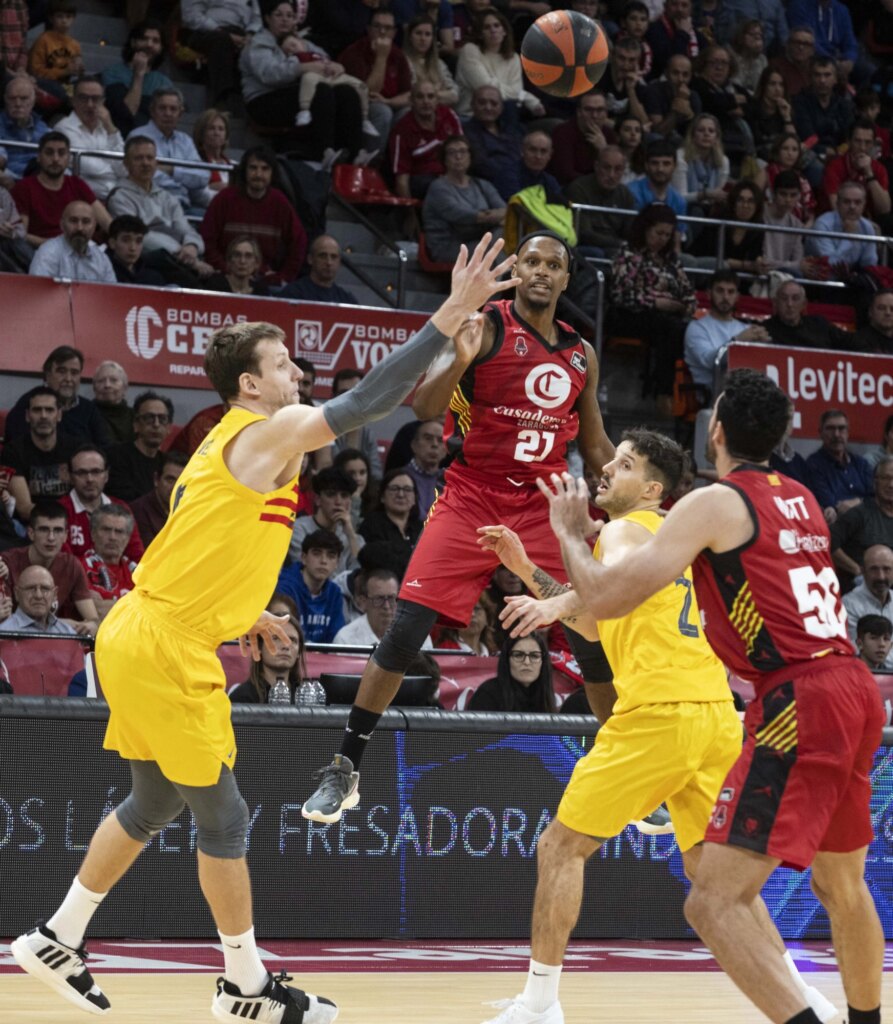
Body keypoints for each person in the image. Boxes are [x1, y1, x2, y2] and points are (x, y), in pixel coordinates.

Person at [9, 232, 518, 1022]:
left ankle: (56, 935)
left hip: (148, 629)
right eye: (285, 367)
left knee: (152, 802)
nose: (299, 375)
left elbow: (193, 541)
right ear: (251, 382)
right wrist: (445, 319)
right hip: (164, 643)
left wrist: (242, 609)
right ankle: (243, 987)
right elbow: (364, 405)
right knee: (226, 816)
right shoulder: (265, 432)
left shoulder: (227, 444)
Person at [499, 370, 884, 1024]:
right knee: (836, 885)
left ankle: (538, 1005)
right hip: (849, 684)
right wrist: (546, 589)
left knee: (703, 902)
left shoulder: (697, 508)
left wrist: (567, 532)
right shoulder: (798, 498)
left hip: (774, 699)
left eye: (623, 463)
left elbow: (608, 596)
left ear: (715, 431)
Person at [301, 230, 616, 826]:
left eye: (554, 264)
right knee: (405, 630)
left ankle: (628, 764)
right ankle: (344, 768)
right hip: (473, 495)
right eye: (531, 262)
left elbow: (596, 443)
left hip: (545, 502)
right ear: (516, 270)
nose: (542, 272)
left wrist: (642, 496)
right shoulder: (486, 324)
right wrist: (462, 357)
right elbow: (425, 408)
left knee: (586, 631)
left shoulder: (581, 353)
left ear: (567, 278)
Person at [241, 0, 365, 164]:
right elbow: (269, 74)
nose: (285, 19)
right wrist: (303, 67)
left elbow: (321, 57)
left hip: (294, 94)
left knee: (346, 92)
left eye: (290, 16)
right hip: (263, 99)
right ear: (268, 18)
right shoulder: (259, 43)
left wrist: (334, 66)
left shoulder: (300, 42)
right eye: (279, 15)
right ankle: (324, 152)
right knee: (321, 91)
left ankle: (354, 154)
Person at [608, 204, 696, 412]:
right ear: (645, 229)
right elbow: (618, 294)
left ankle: (675, 392)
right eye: (659, 233)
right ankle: (664, 393)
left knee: (681, 328)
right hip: (629, 314)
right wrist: (654, 302)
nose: (663, 239)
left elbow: (689, 293)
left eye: (667, 234)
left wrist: (684, 306)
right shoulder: (629, 253)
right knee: (668, 326)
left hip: (666, 318)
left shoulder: (670, 260)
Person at [108, 137, 214, 288]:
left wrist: (192, 246)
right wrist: (182, 254)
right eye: (138, 158)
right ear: (126, 163)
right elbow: (140, 238)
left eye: (150, 158)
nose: (145, 163)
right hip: (149, 263)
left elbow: (185, 228)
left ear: (156, 162)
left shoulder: (167, 196)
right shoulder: (119, 197)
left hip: (182, 260)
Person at [200, 146, 306, 288]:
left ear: (272, 173)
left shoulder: (280, 203)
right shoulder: (224, 199)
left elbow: (299, 242)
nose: (258, 174)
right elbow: (207, 239)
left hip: (266, 283)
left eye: (265, 169)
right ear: (245, 171)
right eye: (253, 168)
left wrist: (283, 277)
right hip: (226, 279)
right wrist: (226, 269)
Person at [2, 499, 98, 633]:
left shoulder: (71, 565)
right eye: (44, 529)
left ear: (65, 536)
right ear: (31, 533)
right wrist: (64, 625)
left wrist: (90, 626)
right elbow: (4, 619)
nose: (51, 538)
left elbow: (92, 619)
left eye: (58, 530)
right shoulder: (7, 563)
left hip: (55, 645)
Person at [12, 132, 110, 250]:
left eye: (61, 153)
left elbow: (107, 222)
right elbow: (21, 235)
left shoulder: (77, 184)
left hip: (78, 251)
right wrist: (58, 247)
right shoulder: (24, 188)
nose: (55, 159)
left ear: (68, 158)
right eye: (49, 153)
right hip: (38, 253)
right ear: (38, 157)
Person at [3, 346, 111, 448]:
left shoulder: (89, 409)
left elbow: (104, 447)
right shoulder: (28, 404)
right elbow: (17, 449)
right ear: (48, 374)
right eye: (62, 371)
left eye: (74, 373)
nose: (68, 379)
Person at [684, 270, 769, 395]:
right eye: (720, 291)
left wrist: (765, 344)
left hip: (746, 393)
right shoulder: (696, 328)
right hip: (712, 398)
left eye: (731, 292)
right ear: (708, 294)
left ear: (737, 297)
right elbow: (710, 362)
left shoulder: (746, 328)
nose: (725, 297)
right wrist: (737, 341)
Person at [422, 135, 505, 263]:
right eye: (452, 153)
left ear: (470, 156)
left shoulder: (482, 184)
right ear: (444, 159)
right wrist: (488, 216)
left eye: (463, 151)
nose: (458, 157)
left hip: (479, 240)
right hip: (449, 247)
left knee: (507, 237)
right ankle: (506, 281)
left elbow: (506, 210)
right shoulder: (438, 187)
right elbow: (462, 215)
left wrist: (489, 216)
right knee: (495, 249)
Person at [128, 87, 211, 212]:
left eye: (173, 109)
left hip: (184, 205)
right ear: (152, 111)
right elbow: (147, 176)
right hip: (150, 203)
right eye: (162, 108)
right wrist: (184, 179)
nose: (168, 113)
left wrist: (171, 170)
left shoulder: (185, 140)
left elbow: (203, 177)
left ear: (180, 113)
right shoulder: (138, 136)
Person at [338, 5, 412, 141]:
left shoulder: (398, 55)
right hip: (359, 109)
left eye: (388, 28)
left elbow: (408, 94)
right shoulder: (355, 52)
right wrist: (381, 57)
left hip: (387, 104)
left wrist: (388, 101)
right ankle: (370, 159)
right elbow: (369, 92)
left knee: (408, 112)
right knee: (382, 111)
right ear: (368, 29)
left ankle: (396, 157)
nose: (382, 32)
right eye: (377, 26)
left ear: (394, 33)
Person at [454, 8, 544, 120]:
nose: (493, 30)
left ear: (504, 31)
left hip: (503, 116)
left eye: (497, 25)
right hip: (470, 116)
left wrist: (520, 94)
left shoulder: (513, 58)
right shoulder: (469, 50)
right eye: (487, 27)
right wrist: (526, 96)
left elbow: (516, 91)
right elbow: (486, 90)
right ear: (480, 34)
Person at [60, 444, 143, 562]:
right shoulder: (59, 510)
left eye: (96, 472)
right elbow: (64, 563)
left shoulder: (121, 508)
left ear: (106, 475)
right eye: (81, 473)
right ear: (71, 477)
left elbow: (137, 556)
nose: (89, 479)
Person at [4, 387, 74, 519]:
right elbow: (24, 508)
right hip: (31, 525)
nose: (43, 416)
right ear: (27, 416)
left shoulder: (76, 449)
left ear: (59, 415)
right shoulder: (12, 451)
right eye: (37, 410)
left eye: (49, 410)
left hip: (70, 522)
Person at [389, 78, 463, 200]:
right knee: (439, 187)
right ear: (411, 101)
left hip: (452, 174)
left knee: (483, 185)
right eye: (420, 97)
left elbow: (463, 151)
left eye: (430, 97)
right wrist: (410, 215)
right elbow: (402, 180)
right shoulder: (401, 130)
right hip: (424, 182)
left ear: (437, 100)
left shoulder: (448, 115)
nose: (426, 102)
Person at [54, 75, 126, 201]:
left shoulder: (108, 128)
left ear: (103, 102)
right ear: (73, 101)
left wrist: (110, 127)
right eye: (83, 98)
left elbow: (125, 169)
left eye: (96, 99)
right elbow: (91, 167)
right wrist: (114, 172)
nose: (90, 104)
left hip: (118, 197)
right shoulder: (64, 128)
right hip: (86, 200)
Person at [180, 0, 261, 108]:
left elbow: (257, 17)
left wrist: (250, 35)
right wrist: (220, 31)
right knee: (222, 41)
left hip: (242, 32)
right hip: (206, 30)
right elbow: (191, 14)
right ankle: (221, 98)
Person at [101, 19, 173, 136]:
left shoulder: (164, 83)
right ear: (133, 42)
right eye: (144, 39)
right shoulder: (114, 72)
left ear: (161, 48)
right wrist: (138, 74)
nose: (149, 44)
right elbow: (127, 113)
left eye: (155, 41)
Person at [287, 465, 365, 574]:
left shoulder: (353, 538)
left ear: (350, 502)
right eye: (331, 494)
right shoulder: (298, 529)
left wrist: (351, 535)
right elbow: (306, 572)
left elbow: (361, 576)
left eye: (344, 495)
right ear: (318, 499)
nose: (338, 501)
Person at [276, 528, 346, 644]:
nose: (323, 561)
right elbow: (284, 633)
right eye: (317, 553)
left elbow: (336, 638)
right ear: (304, 558)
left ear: (337, 564)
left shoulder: (335, 593)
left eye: (331, 555)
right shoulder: (285, 587)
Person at [332, 568, 434, 647]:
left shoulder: (418, 636)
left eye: (391, 598)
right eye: (379, 599)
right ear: (363, 602)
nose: (386, 606)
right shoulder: (345, 639)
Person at [565, 146, 636, 259]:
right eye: (606, 168)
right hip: (586, 246)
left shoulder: (626, 195)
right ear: (596, 166)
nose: (611, 175)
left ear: (623, 171)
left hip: (615, 247)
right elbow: (584, 233)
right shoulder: (579, 189)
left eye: (617, 169)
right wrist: (619, 244)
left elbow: (630, 232)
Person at [805, 409, 874, 525]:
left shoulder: (861, 464)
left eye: (841, 429)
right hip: (838, 526)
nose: (836, 434)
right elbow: (830, 505)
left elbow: (875, 499)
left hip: (868, 522)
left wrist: (858, 501)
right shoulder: (813, 465)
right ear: (820, 432)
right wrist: (862, 502)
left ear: (848, 433)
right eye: (830, 429)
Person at [792, 57, 854, 178]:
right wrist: (826, 151)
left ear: (835, 79)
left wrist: (839, 151)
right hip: (810, 153)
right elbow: (807, 136)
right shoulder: (800, 102)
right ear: (811, 78)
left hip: (839, 152)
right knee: (818, 169)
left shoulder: (844, 104)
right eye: (817, 75)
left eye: (827, 75)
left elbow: (849, 135)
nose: (822, 80)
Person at [106, 392, 174, 503]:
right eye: (149, 418)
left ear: (169, 428)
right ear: (136, 425)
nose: (156, 424)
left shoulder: (168, 464)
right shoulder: (116, 456)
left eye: (162, 419)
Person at [229, 607, 306, 703]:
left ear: (299, 652)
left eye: (293, 640)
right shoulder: (241, 697)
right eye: (276, 638)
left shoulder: (307, 696)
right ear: (259, 647)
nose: (286, 646)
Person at [28, 200, 116, 284]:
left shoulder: (101, 259)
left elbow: (110, 296)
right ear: (62, 225)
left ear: (94, 226)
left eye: (86, 222)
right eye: (73, 221)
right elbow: (38, 293)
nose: (79, 228)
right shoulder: (47, 253)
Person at [467, 630, 555, 712]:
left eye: (534, 656)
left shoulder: (545, 695)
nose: (527, 662)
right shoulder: (487, 695)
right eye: (518, 655)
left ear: (543, 661)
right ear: (507, 660)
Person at [822, 119, 891, 222]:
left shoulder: (879, 168)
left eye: (867, 142)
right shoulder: (834, 167)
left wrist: (869, 174)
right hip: (836, 220)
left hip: (867, 220)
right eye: (858, 141)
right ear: (849, 142)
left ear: (873, 144)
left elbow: (885, 209)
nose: (862, 148)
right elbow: (836, 207)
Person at [831, 466, 893, 580]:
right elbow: (829, 542)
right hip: (860, 588)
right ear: (875, 482)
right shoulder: (858, 514)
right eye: (886, 478)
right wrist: (857, 570)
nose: (891, 484)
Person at [79, 504, 139, 621]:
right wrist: (136, 607)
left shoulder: (138, 572)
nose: (112, 537)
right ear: (93, 533)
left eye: (119, 532)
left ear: (127, 538)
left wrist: (107, 603)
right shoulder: (80, 568)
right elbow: (97, 612)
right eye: (106, 530)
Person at [807, 180, 878, 273]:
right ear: (837, 203)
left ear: (864, 205)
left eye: (857, 202)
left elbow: (870, 264)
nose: (852, 206)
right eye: (847, 202)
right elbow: (830, 264)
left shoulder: (867, 226)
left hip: (853, 279)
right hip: (822, 278)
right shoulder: (822, 224)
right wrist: (849, 237)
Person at [549, 92, 617, 188]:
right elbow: (565, 174)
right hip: (571, 189)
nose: (595, 115)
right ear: (579, 112)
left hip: (602, 188)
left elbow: (616, 173)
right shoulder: (562, 133)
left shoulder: (609, 134)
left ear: (606, 113)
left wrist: (603, 150)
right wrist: (597, 183)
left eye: (600, 110)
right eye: (589, 110)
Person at [358, 467, 424, 567]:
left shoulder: (422, 528)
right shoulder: (371, 525)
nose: (401, 495)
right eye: (394, 489)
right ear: (382, 496)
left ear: (415, 498)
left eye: (407, 489)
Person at [840, 544, 893, 662]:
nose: (881, 576)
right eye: (874, 569)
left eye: (887, 569)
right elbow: (857, 651)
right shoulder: (848, 605)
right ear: (863, 571)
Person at [763, 279, 849, 349]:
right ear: (775, 303)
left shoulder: (820, 325)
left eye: (795, 298)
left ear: (804, 304)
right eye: (784, 298)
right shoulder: (765, 330)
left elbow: (850, 341)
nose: (790, 304)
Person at [672, 112, 730, 213]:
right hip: (683, 208)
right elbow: (679, 197)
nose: (706, 134)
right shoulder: (681, 156)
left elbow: (718, 194)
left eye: (711, 131)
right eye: (701, 130)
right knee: (697, 211)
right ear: (693, 135)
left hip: (710, 208)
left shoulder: (723, 161)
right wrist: (705, 195)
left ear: (716, 137)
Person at [278, 234, 359, 305]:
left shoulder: (347, 300)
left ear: (339, 262)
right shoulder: (292, 294)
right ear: (310, 259)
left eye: (334, 257)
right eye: (323, 256)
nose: (329, 262)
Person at [0, 564, 77, 635]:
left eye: (45, 589)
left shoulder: (68, 632)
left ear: (55, 594)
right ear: (17, 594)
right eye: (30, 588)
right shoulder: (3, 633)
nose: (38, 596)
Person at [401, 14, 458, 106]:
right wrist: (437, 90)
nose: (423, 38)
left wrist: (432, 93)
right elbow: (412, 96)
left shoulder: (439, 64)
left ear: (432, 39)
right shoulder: (403, 62)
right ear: (410, 37)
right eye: (418, 33)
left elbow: (454, 95)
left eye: (427, 34)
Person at [0, 77, 49, 182]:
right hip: (12, 182)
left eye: (24, 98)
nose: (18, 104)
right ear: (5, 99)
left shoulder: (43, 128)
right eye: (12, 98)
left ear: (33, 100)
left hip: (43, 180)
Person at [627, 139, 688, 223]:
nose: (660, 169)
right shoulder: (630, 193)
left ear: (675, 166)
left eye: (666, 164)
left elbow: (678, 233)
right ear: (646, 165)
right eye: (654, 163)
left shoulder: (679, 201)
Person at [644, 53, 701, 143]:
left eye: (685, 75)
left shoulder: (693, 96)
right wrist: (678, 106)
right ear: (666, 73)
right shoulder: (654, 90)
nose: (680, 79)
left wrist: (690, 116)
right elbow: (659, 132)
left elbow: (697, 133)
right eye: (675, 73)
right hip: (660, 143)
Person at [762, 132, 815, 226]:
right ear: (777, 151)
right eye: (785, 148)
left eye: (794, 150)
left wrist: (805, 229)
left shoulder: (802, 179)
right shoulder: (765, 173)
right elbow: (755, 201)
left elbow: (810, 213)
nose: (790, 153)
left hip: (799, 227)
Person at [646, 0, 707, 80]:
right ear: (665, 6)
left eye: (684, 5)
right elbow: (667, 62)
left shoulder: (698, 32)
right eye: (674, 4)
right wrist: (682, 34)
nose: (679, 9)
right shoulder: (653, 30)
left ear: (691, 9)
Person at [747, 67, 796, 160]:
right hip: (761, 157)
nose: (777, 89)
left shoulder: (786, 109)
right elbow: (758, 143)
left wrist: (787, 118)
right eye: (772, 84)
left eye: (781, 85)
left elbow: (793, 142)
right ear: (764, 86)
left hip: (786, 157)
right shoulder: (752, 108)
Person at [104, 214, 165, 286]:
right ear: (112, 243)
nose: (133, 248)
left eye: (138, 241)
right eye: (126, 240)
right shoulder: (103, 274)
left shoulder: (153, 278)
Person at [192, 108, 236, 208]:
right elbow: (200, 196)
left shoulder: (234, 165)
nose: (217, 133)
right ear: (201, 133)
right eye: (211, 128)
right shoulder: (194, 162)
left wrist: (220, 187)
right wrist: (229, 189)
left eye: (221, 129)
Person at [404, 418, 446, 519]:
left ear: (446, 450)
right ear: (414, 445)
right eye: (428, 438)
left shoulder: (450, 481)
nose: (435, 444)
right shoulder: (400, 478)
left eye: (440, 440)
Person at [769, 25, 815, 98]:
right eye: (797, 42)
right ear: (788, 45)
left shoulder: (816, 69)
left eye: (806, 44)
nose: (801, 47)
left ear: (812, 50)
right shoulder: (775, 66)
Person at [729, 18, 767, 94]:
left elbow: (762, 87)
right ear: (741, 36)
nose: (757, 38)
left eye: (760, 35)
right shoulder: (730, 56)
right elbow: (732, 86)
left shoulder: (762, 60)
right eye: (752, 34)